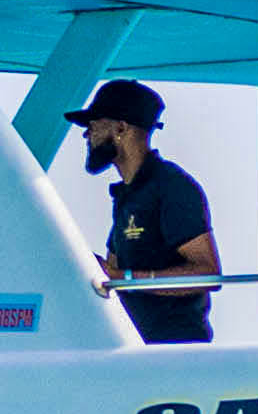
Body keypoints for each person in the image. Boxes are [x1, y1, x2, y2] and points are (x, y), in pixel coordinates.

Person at [75, 78, 223, 345]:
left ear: (120, 128)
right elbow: (111, 273)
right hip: (135, 353)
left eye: (93, 125)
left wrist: (124, 278)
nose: (86, 134)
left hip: (175, 355)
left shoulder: (171, 186)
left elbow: (207, 274)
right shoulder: (125, 194)